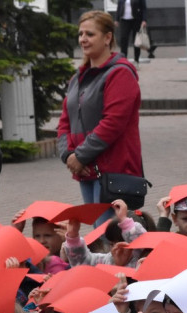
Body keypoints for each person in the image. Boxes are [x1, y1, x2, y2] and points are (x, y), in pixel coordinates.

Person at [58, 10, 142, 219]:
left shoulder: (120, 73)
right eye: (80, 34)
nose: (83, 39)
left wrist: (81, 156)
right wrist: (68, 155)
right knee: (98, 238)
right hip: (86, 170)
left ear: (107, 37)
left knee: (110, 238)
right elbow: (64, 122)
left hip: (113, 171)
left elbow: (113, 122)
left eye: (90, 34)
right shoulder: (77, 78)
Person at [114, 0, 146, 66]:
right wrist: (117, 19)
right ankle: (124, 60)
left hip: (136, 19)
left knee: (136, 40)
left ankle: (136, 60)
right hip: (124, 20)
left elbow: (144, 8)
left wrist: (144, 20)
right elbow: (119, 7)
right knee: (123, 39)